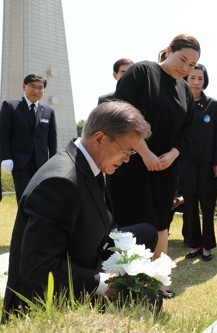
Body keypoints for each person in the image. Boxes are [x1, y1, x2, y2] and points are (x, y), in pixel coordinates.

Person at [2, 101, 157, 320]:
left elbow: (102, 219)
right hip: (47, 297)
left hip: (84, 257)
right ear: (99, 139)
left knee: (146, 233)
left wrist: (128, 256)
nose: (127, 159)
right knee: (149, 298)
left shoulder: (90, 163)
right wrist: (104, 283)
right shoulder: (60, 183)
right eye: (126, 151)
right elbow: (37, 267)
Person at [106, 34, 200, 297]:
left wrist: (172, 155)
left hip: (165, 169)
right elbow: (123, 113)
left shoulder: (184, 90)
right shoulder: (141, 73)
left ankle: (158, 281)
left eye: (192, 65)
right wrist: (144, 152)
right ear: (168, 51)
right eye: (183, 59)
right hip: (131, 163)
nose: (186, 68)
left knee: (161, 223)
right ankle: (122, 284)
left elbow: (188, 130)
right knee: (129, 223)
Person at [180, 64, 217, 261]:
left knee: (208, 208)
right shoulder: (180, 104)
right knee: (189, 208)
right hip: (186, 165)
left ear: (205, 80)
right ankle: (194, 244)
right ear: (185, 80)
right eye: (192, 78)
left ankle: (207, 246)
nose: (196, 82)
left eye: (200, 78)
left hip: (208, 165)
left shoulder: (213, 105)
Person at [0, 74, 57, 203]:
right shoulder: (10, 106)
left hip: (41, 165)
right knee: (25, 198)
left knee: (40, 198)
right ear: (24, 87)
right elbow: (4, 134)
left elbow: (52, 140)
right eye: (32, 86)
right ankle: (24, 223)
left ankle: (36, 223)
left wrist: (53, 162)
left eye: (40, 88)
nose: (36, 91)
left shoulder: (48, 111)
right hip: (20, 163)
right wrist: (5, 157)